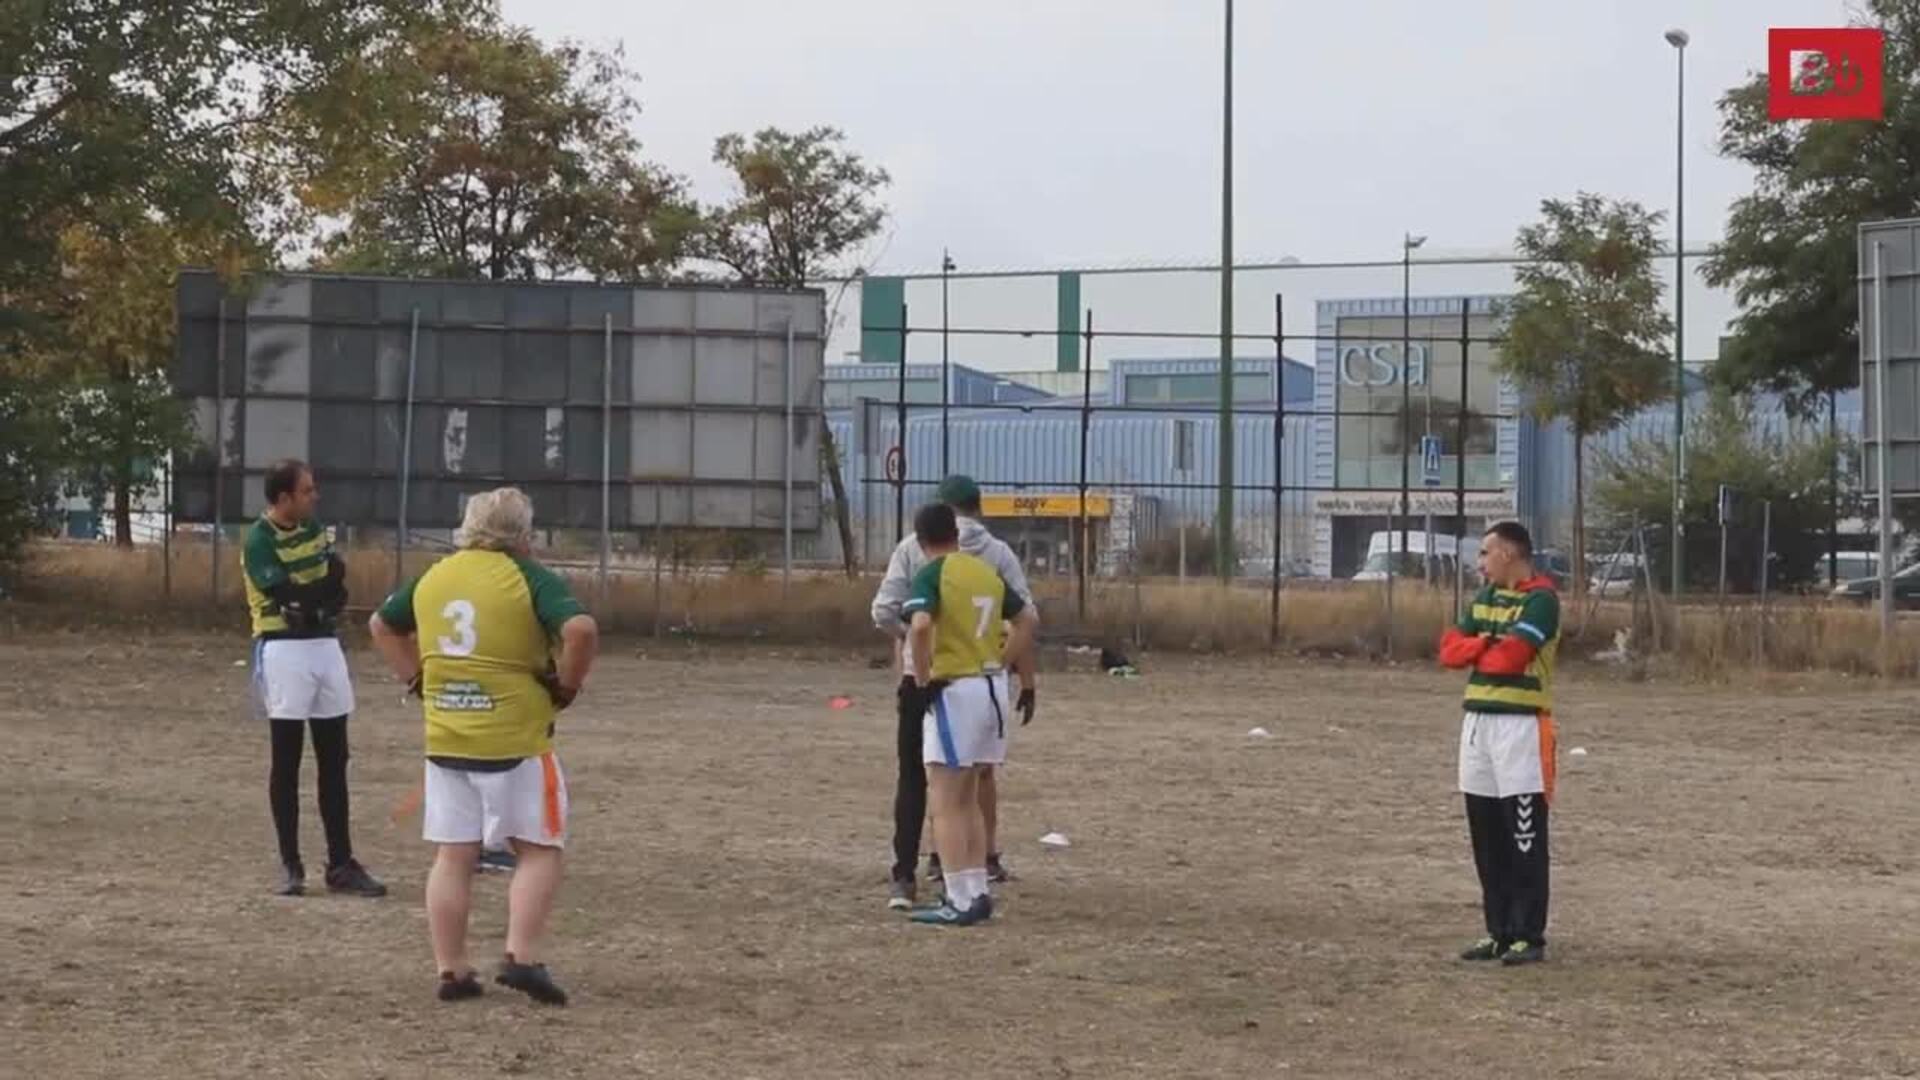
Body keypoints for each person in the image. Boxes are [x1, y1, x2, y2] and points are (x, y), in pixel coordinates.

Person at [368, 487, 599, 1005]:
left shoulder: (436, 575)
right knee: (540, 849)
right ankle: (521, 956)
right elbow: (581, 629)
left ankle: (451, 969)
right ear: (522, 533)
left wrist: (416, 680)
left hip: (447, 733)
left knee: (453, 855)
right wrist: (567, 684)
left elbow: (382, 624)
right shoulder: (528, 577)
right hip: (514, 737)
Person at [871, 475, 1037, 910]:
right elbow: (1028, 619)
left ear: (923, 537)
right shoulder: (989, 566)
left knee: (938, 796)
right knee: (972, 794)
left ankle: (948, 892)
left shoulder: (929, 570)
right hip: (988, 683)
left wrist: (920, 672)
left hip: (949, 686)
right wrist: (1007, 663)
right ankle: (977, 886)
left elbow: (914, 622)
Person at [243, 459, 385, 899]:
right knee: (286, 761)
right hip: (283, 649)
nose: (315, 496)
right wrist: (315, 599)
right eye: (307, 491)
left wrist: (317, 603)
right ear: (283, 498)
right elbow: (289, 598)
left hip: (324, 647)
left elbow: (336, 588)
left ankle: (340, 862)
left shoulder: (313, 528)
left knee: (334, 758)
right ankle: (291, 864)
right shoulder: (259, 541)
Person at [1438, 521, 1561, 967]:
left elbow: (1512, 659)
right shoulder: (1487, 599)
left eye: (1486, 553)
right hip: (1477, 726)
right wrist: (1482, 645)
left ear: (1508, 553)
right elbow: (1449, 650)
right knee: (1486, 833)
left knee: (1523, 833)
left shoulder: (1542, 601)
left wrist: (1480, 647)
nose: (1481, 563)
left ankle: (1529, 935)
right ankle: (1499, 931)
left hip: (1521, 729)